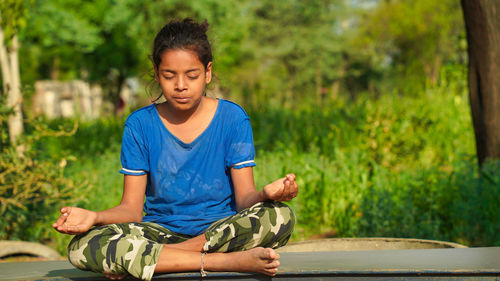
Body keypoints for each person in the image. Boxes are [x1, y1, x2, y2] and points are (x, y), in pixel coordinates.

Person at [53, 18, 298, 281]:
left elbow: (244, 200)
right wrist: (95, 216)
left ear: (208, 72)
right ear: (157, 74)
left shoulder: (232, 118)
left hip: (220, 231)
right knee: (82, 246)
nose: (180, 85)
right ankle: (227, 262)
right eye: (169, 76)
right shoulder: (140, 124)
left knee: (279, 216)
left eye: (191, 75)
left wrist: (265, 194)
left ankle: (156, 258)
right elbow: (131, 211)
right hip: (160, 231)